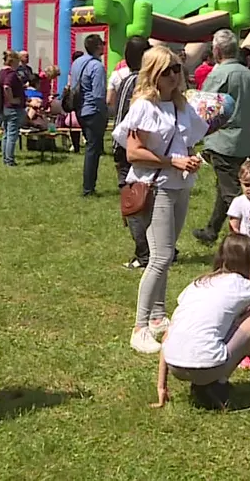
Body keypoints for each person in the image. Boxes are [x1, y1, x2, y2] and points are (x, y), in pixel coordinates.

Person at [115, 45, 209, 354]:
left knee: (165, 255)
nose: (174, 75)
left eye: (177, 68)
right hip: (156, 187)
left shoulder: (182, 106)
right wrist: (173, 162)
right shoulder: (145, 106)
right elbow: (133, 153)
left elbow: (187, 142)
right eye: (167, 70)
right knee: (160, 256)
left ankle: (157, 316)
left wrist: (190, 159)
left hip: (180, 185)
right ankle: (139, 326)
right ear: (154, 74)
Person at [150, 234, 250, 409]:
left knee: (191, 324)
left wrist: (161, 386)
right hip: (208, 368)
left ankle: (205, 384)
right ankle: (217, 385)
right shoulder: (242, 285)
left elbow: (168, 334)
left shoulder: (197, 284)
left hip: (174, 364)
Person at [193, 29, 250, 245]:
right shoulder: (249, 75)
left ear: (216, 50)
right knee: (224, 186)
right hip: (243, 140)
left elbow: (203, 107)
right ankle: (212, 230)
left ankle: (248, 233)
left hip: (222, 140)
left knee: (230, 191)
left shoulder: (218, 74)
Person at [111, 36, 153, 269]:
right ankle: (149, 249)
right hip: (133, 149)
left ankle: (145, 253)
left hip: (129, 150)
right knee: (138, 203)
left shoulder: (130, 80)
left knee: (136, 203)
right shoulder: (141, 82)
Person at [69, 34, 109, 196]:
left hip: (79, 110)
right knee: (93, 150)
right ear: (98, 47)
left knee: (91, 147)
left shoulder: (77, 63)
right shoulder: (97, 67)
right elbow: (98, 94)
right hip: (92, 110)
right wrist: (104, 112)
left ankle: (89, 185)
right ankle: (88, 187)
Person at [0, 51, 25, 167]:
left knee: (6, 134)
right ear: (13, 61)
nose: (19, 64)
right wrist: (12, 99)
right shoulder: (11, 74)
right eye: (18, 61)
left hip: (4, 108)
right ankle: (9, 160)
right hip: (13, 108)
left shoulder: (1, 72)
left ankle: (5, 158)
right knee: (12, 135)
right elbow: (6, 86)